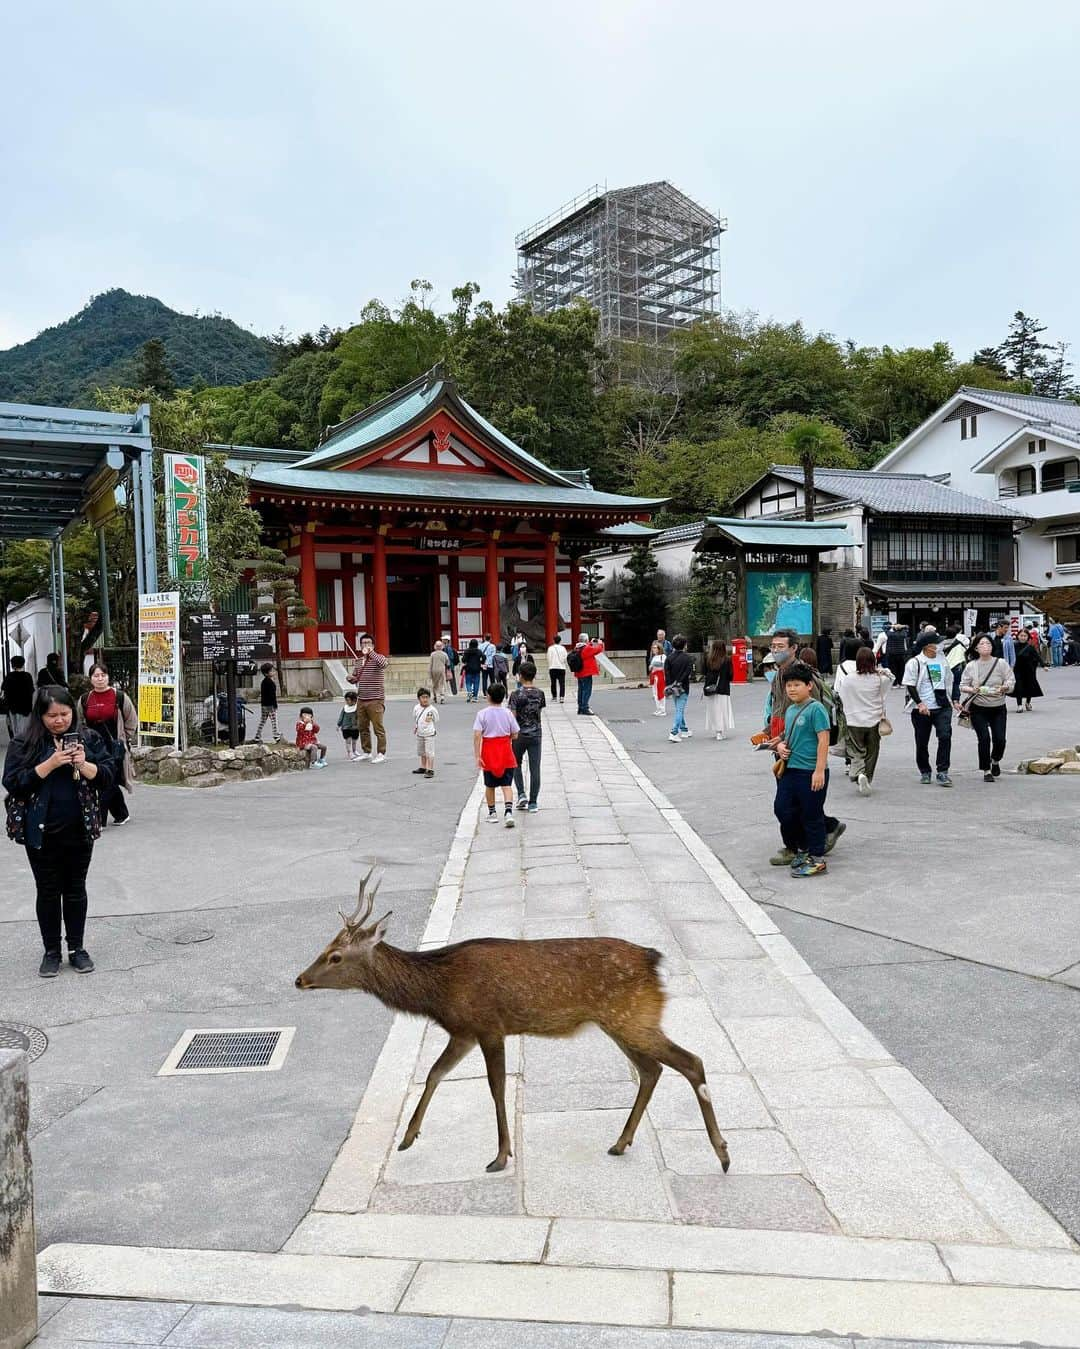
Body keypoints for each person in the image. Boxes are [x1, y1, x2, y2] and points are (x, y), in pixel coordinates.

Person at [3, 686, 116, 976]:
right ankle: (51, 950)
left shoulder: (88, 739)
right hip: (40, 834)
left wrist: (84, 763)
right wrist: (50, 764)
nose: (59, 720)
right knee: (48, 891)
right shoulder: (24, 744)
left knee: (76, 890)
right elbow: (13, 783)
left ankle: (77, 948)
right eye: (51, 715)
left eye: (64, 714)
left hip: (79, 830)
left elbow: (107, 776)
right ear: (39, 716)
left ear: (73, 714)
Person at [763, 628, 844, 863]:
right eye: (773, 646)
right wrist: (772, 736)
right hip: (785, 747)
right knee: (787, 805)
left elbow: (818, 724)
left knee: (806, 806)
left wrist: (819, 766)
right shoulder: (780, 675)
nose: (775, 650)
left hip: (805, 754)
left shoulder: (805, 675)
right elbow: (778, 708)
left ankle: (806, 849)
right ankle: (802, 842)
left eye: (780, 646)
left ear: (793, 648)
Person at [772, 661, 832, 879]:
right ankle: (802, 848)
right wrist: (779, 745)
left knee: (812, 815)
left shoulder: (816, 709)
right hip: (790, 770)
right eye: (789, 685)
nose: (792, 689)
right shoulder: (790, 710)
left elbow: (823, 740)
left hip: (810, 771)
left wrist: (819, 770)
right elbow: (787, 735)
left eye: (797, 684)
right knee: (783, 809)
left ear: (809, 686)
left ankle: (817, 858)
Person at [78, 663, 137, 827]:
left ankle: (99, 820)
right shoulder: (84, 699)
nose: (100, 679)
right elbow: (79, 722)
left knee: (107, 781)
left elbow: (132, 720)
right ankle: (121, 814)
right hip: (93, 747)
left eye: (103, 675)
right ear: (91, 679)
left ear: (108, 677)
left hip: (114, 747)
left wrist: (124, 739)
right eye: (96, 676)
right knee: (104, 781)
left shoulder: (119, 697)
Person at [834, 646, 891, 795]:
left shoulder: (849, 679)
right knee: (872, 751)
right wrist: (883, 670)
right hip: (874, 721)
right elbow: (892, 678)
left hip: (853, 721)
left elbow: (841, 696)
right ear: (874, 661)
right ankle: (868, 776)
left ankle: (858, 774)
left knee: (856, 751)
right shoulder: (879, 679)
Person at [959, 636, 1014, 782]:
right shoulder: (972, 666)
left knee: (1000, 739)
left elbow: (1010, 680)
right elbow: (962, 685)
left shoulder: (1001, 663)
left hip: (998, 707)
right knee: (984, 738)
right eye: (982, 643)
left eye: (988, 643)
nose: (985, 646)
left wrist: (1004, 687)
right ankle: (986, 770)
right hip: (978, 708)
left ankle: (995, 760)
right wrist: (972, 689)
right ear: (976, 648)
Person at [903, 630, 954, 786]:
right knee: (922, 741)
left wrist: (955, 699)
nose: (940, 645)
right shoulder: (915, 662)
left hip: (942, 705)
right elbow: (910, 685)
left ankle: (942, 771)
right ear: (928, 646)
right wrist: (919, 703)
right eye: (937, 643)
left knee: (945, 736)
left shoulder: (942, 660)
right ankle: (925, 771)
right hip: (922, 708)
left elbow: (949, 681)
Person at [473, 683, 519, 827]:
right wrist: (507, 737)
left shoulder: (482, 714)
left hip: (489, 751)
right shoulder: (508, 713)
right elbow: (515, 734)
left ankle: (492, 813)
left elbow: (477, 735)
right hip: (505, 750)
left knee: (490, 785)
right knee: (506, 784)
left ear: (489, 696)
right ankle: (508, 811)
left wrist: (477, 755)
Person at [509, 659, 545, 812]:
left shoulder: (516, 694)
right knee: (535, 768)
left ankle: (521, 793)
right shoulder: (540, 693)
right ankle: (533, 802)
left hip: (519, 734)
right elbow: (539, 711)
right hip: (536, 733)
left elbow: (512, 716)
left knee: (515, 764)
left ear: (520, 676)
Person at [347, 633, 388, 763]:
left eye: (368, 643)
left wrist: (371, 653)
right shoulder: (359, 661)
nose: (366, 645)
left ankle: (381, 752)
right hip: (362, 698)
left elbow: (384, 664)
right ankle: (367, 751)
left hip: (376, 698)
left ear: (373, 645)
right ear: (360, 646)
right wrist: (350, 679)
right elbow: (355, 678)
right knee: (363, 727)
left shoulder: (378, 658)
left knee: (378, 727)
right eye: (363, 643)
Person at [701, 638, 734, 741]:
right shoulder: (727, 660)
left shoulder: (708, 659)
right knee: (722, 710)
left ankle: (716, 730)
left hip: (710, 688)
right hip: (723, 688)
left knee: (713, 710)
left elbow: (704, 673)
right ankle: (720, 731)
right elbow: (730, 675)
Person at [665, 634, 695, 743]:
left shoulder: (669, 658)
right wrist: (679, 682)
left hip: (672, 687)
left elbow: (667, 674)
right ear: (684, 645)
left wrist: (670, 685)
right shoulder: (688, 658)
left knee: (678, 708)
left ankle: (684, 729)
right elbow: (687, 673)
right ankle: (674, 732)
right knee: (679, 709)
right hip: (683, 687)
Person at [2, 655, 35, 740]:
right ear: (23, 664)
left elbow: (3, 692)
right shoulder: (28, 676)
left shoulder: (9, 676)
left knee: (15, 728)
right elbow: (32, 691)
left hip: (13, 708)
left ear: (13, 665)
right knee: (24, 728)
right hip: (25, 708)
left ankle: (16, 743)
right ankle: (23, 742)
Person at [1012, 628, 1043, 712]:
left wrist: (1044, 666)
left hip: (1029, 670)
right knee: (1018, 687)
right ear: (1018, 636)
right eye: (1021, 635)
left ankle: (1028, 702)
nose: (1023, 637)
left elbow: (1037, 657)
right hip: (1017, 669)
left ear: (1028, 637)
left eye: (1025, 636)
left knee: (1029, 686)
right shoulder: (1013, 646)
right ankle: (1019, 705)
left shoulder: (1030, 647)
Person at [573, 633, 605, 716]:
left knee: (581, 690)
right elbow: (598, 649)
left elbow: (588, 648)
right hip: (586, 672)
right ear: (586, 640)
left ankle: (580, 708)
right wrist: (600, 643)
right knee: (587, 690)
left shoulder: (577, 647)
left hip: (579, 672)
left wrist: (590, 643)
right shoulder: (587, 648)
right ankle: (585, 708)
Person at [412, 687, 438, 779]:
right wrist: (416, 727)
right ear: (419, 698)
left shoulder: (432, 709)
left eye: (427, 697)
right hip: (420, 733)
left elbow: (436, 719)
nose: (425, 699)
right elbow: (415, 718)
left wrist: (428, 726)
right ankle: (423, 766)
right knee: (422, 752)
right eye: (423, 697)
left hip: (429, 734)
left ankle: (430, 769)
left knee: (429, 752)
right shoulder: (416, 708)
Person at [254, 663, 280, 742]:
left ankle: (257, 735)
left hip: (264, 704)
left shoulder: (264, 682)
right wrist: (275, 705)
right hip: (270, 704)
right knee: (274, 720)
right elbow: (272, 695)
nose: (273, 672)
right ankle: (276, 735)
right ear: (266, 673)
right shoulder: (269, 682)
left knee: (263, 720)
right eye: (271, 671)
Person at [943, 627, 969, 703]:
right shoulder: (959, 643)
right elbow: (965, 652)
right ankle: (955, 699)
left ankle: (942, 698)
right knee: (956, 682)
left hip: (943, 665)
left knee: (940, 682)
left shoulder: (941, 643)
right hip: (957, 664)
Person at [338, 691, 360, 760]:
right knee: (348, 741)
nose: (346, 702)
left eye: (348, 700)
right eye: (346, 700)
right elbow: (341, 716)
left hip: (355, 727)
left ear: (354, 700)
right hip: (346, 727)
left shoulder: (357, 708)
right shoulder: (345, 708)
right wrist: (338, 724)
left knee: (354, 740)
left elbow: (360, 716)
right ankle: (349, 752)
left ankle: (354, 750)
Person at [546, 635, 568, 704]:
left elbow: (548, 658)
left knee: (553, 683)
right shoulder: (563, 648)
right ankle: (561, 697)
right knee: (562, 683)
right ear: (560, 641)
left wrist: (551, 664)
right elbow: (565, 657)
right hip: (561, 667)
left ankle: (554, 697)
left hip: (552, 667)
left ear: (554, 640)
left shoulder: (550, 648)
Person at [647, 640, 666, 716]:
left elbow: (665, 667)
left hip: (660, 675)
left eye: (655, 648)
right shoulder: (654, 657)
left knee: (660, 692)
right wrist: (651, 667)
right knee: (655, 693)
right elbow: (650, 667)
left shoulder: (663, 656)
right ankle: (658, 708)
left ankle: (663, 709)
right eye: (653, 648)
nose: (653, 649)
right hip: (654, 675)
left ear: (659, 648)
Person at [461, 638, 484, 702]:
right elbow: (484, 657)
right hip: (477, 668)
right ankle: (475, 697)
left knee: (468, 682)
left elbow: (463, 660)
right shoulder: (479, 651)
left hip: (468, 668)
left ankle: (469, 692)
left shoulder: (467, 651)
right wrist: (481, 662)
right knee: (476, 683)